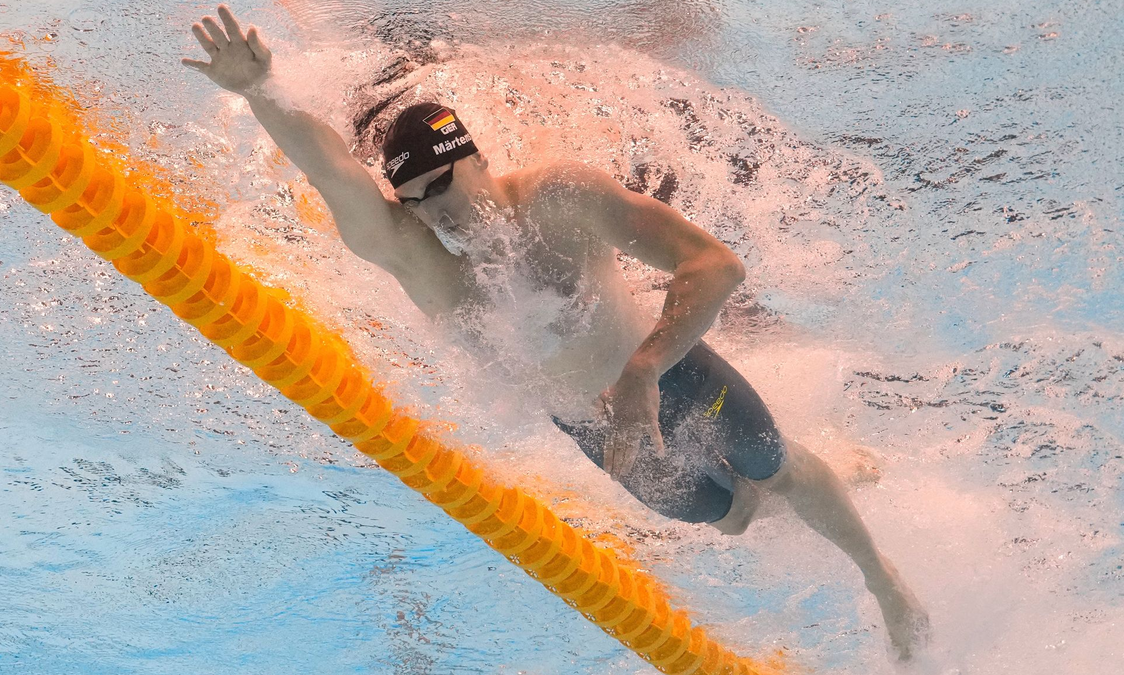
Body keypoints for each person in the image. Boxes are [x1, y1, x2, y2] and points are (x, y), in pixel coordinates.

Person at [183, 4, 930, 660]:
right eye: (415, 202)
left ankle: (882, 577)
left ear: (474, 156)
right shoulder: (425, 262)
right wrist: (260, 93)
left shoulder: (560, 200)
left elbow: (716, 265)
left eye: (444, 184)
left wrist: (642, 369)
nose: (437, 213)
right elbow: (336, 174)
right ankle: (796, 491)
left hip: (675, 377)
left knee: (775, 467)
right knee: (733, 517)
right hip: (606, 438)